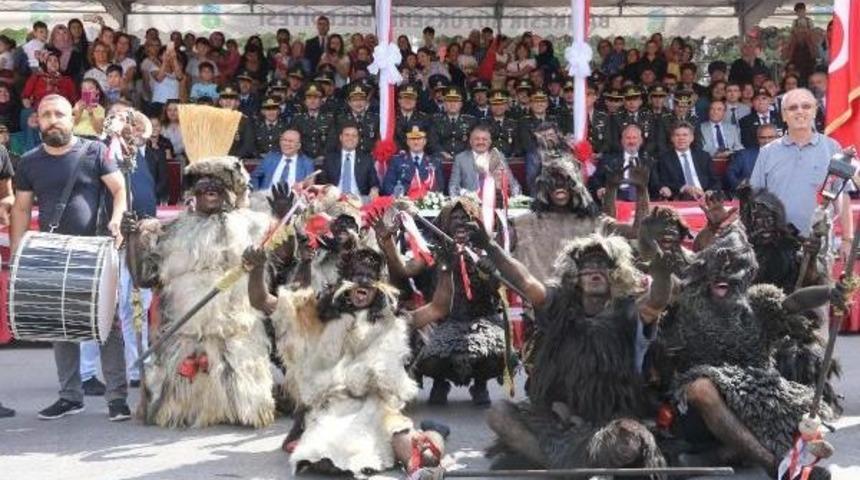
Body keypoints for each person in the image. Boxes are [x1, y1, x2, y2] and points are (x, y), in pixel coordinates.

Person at [122, 116, 283, 427]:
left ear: (232, 192)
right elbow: (144, 277)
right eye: (203, 183)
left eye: (219, 183)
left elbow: (284, 259)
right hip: (185, 337)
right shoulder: (172, 231)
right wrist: (133, 241)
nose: (210, 187)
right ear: (193, 194)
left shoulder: (254, 226)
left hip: (237, 338)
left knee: (245, 407)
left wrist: (281, 218)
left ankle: (238, 403)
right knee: (177, 410)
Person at [245, 240, 451, 476]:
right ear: (346, 283)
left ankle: (435, 434)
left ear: (379, 286)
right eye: (357, 276)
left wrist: (446, 269)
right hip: (334, 407)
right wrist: (257, 268)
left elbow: (438, 308)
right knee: (322, 457)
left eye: (369, 277)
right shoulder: (322, 315)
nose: (363, 281)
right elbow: (261, 300)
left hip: (378, 407)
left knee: (422, 455)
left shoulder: (392, 320)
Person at [480, 228, 671, 471]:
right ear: (577, 277)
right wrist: (490, 246)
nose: (594, 271)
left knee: (629, 444)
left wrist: (661, 268)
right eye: (587, 267)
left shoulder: (629, 313)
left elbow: (657, 301)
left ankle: (557, 468)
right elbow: (527, 282)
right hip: (558, 420)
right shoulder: (559, 308)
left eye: (602, 266)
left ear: (614, 275)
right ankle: (563, 468)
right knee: (499, 414)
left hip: (608, 422)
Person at [9, 94, 129, 421]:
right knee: (59, 324)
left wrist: (117, 219)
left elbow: (119, 189)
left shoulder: (95, 151)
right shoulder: (29, 161)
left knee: (107, 326)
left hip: (95, 250)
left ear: (72, 118)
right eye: (46, 115)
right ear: (37, 120)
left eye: (59, 114)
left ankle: (117, 399)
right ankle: (70, 396)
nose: (52, 120)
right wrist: (19, 253)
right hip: (51, 252)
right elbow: (21, 209)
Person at [750, 87, 852, 255]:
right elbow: (754, 199)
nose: (799, 111)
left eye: (806, 106)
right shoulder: (767, 152)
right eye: (792, 107)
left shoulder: (833, 148)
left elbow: (842, 196)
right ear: (783, 115)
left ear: (815, 111)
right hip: (777, 247)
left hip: (819, 246)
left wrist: (847, 239)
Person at [448, 124, 520, 198]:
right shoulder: (460, 158)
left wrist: (516, 199)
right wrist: (467, 196)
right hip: (470, 201)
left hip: (495, 200)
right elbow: (453, 187)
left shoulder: (499, 156)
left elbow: (513, 184)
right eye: (477, 139)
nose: (480, 142)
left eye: (484, 139)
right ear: (470, 141)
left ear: (490, 142)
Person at [653, 121, 718, 200]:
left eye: (685, 135)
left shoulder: (703, 156)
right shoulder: (664, 159)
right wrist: (684, 188)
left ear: (692, 138)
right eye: (677, 135)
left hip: (705, 197)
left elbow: (715, 180)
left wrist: (710, 191)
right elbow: (663, 183)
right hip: (680, 197)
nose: (681, 138)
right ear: (672, 138)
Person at [381, 124, 444, 196]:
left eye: (419, 139)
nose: (416, 142)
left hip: (426, 200)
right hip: (403, 200)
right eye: (413, 139)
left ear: (425, 141)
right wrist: (398, 196)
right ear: (407, 142)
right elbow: (387, 185)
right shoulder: (397, 161)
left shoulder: (435, 162)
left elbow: (440, 187)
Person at [322, 122, 379, 199]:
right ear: (340, 137)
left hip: (359, 200)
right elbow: (323, 182)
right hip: (335, 200)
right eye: (347, 135)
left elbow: (374, 182)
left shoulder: (367, 159)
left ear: (358, 139)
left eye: (354, 136)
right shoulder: (330, 158)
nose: (350, 138)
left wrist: (374, 189)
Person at [726, 124, 777, 191]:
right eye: (762, 138)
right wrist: (740, 186)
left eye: (770, 137)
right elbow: (730, 173)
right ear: (757, 138)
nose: (766, 141)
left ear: (777, 138)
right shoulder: (744, 155)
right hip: (752, 194)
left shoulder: (785, 155)